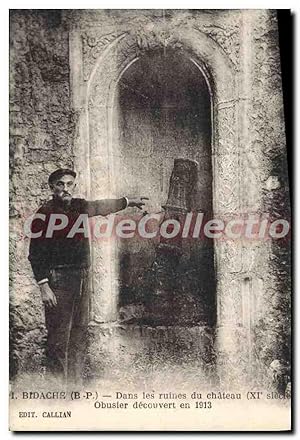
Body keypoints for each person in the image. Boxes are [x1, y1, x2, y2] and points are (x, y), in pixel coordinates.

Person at [28, 168, 147, 385]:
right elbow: (35, 254)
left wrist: (128, 201)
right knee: (58, 339)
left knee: (78, 335)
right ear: (52, 187)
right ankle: (55, 394)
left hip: (82, 277)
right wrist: (44, 286)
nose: (66, 189)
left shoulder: (79, 206)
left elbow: (101, 206)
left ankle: (74, 390)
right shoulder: (43, 213)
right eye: (61, 184)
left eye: (70, 184)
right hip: (58, 280)